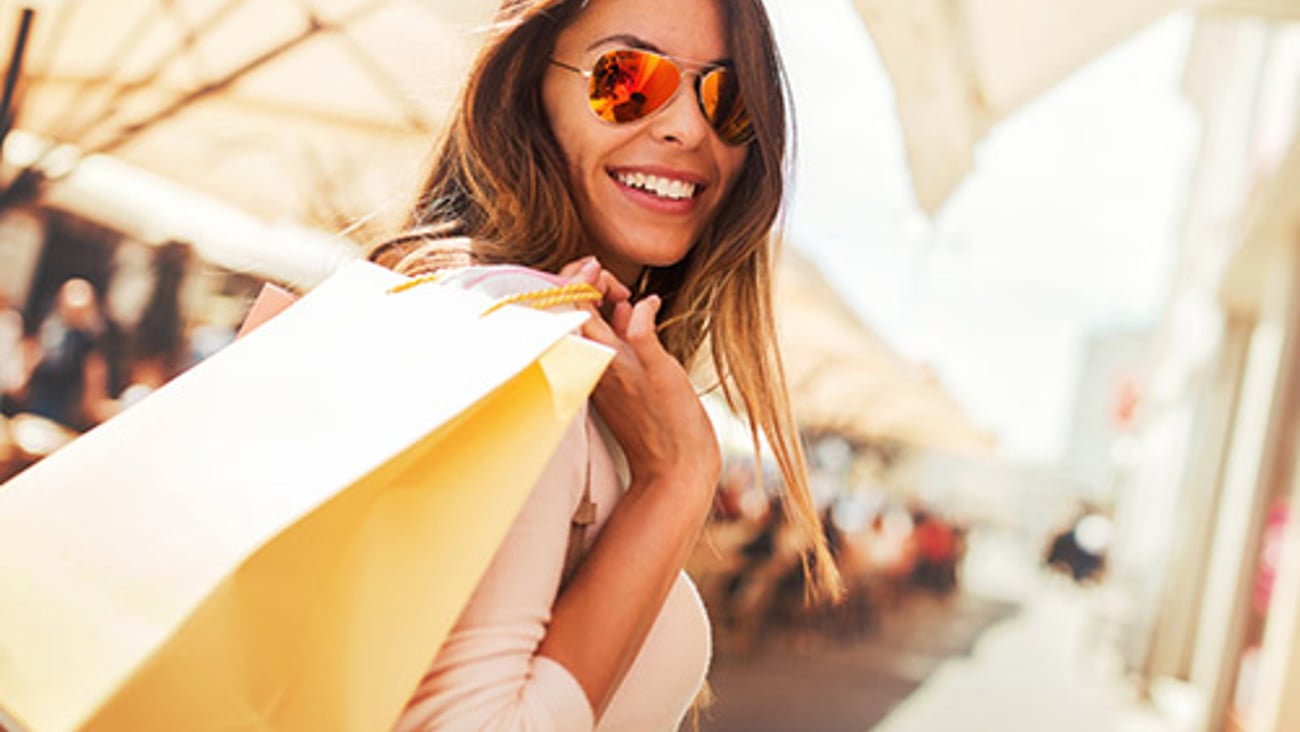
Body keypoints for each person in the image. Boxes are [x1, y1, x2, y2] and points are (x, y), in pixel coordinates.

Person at [371, 0, 843, 728]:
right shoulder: (521, 346)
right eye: (627, 78)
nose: (688, 127)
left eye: (729, 98)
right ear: (531, 88)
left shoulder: (563, 358)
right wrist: (677, 483)